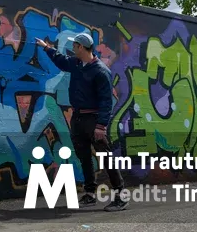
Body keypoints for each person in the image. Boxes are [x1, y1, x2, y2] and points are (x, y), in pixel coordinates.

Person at [35, 33, 128, 211]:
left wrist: (101, 126)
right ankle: (90, 194)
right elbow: (60, 60)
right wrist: (46, 48)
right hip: (78, 118)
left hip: (93, 120)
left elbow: (106, 101)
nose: (72, 49)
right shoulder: (77, 64)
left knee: (105, 158)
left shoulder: (100, 71)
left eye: (75, 46)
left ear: (81, 48)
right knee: (84, 156)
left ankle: (121, 196)